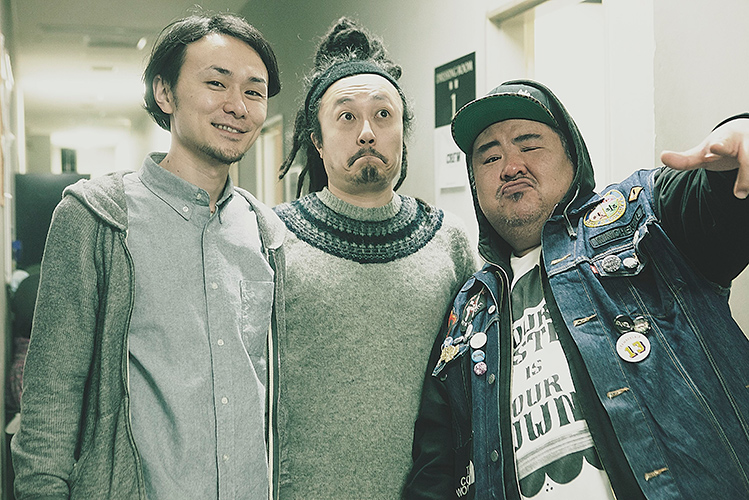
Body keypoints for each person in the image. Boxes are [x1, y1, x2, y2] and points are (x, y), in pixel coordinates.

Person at [405, 79, 749, 500]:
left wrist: (741, 136)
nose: (510, 167)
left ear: (573, 156)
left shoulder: (640, 214)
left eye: (529, 145)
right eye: (490, 157)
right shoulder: (466, 313)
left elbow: (719, 201)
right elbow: (435, 471)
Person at [11, 12, 285, 500]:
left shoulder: (266, 233)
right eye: (216, 83)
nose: (237, 106)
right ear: (164, 92)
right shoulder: (97, 218)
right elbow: (51, 398)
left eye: (254, 91)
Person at [273, 18, 477, 499]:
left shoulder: (448, 241)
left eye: (383, 115)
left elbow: (474, 382)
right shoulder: (273, 238)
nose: (367, 132)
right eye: (346, 117)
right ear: (317, 140)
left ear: (403, 133)